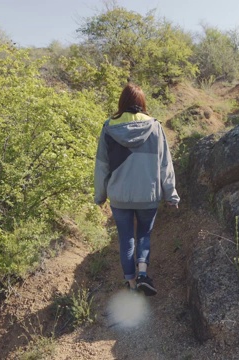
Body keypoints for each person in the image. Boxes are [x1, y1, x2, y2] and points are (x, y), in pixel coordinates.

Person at [94, 83, 179, 296]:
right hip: (147, 194)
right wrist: (171, 194)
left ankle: (131, 284)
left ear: (121, 103)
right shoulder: (155, 127)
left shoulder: (109, 127)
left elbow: (102, 165)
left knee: (126, 238)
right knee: (144, 234)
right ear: (142, 103)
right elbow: (164, 164)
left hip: (119, 195)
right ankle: (143, 273)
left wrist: (100, 195)